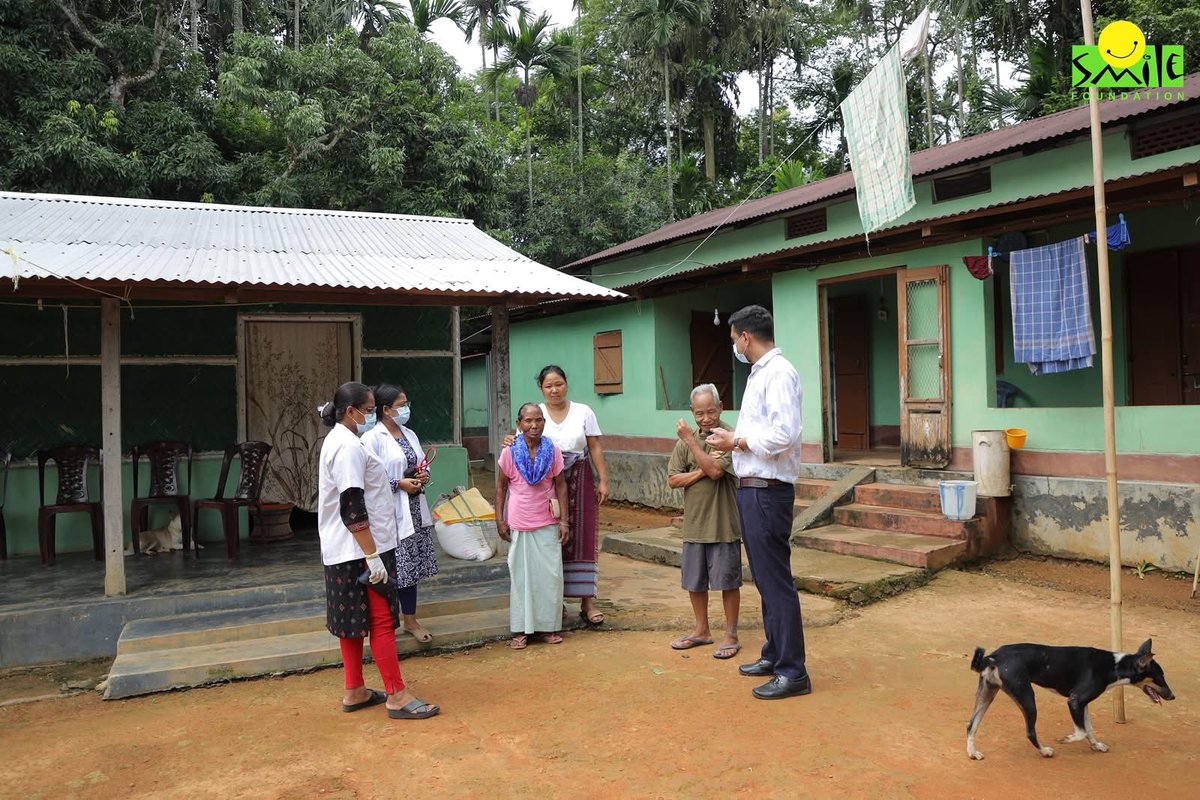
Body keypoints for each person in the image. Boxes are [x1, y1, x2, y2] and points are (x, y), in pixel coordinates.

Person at [705, 305, 811, 700]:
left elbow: (784, 434)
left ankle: (793, 671)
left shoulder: (779, 373)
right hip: (753, 487)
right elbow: (764, 432)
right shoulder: (762, 373)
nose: (734, 345)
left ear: (746, 336)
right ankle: (774, 653)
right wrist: (733, 436)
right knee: (766, 579)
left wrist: (735, 441)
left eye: (734, 338)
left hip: (768, 490)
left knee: (776, 582)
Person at [317, 381, 438, 719]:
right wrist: (372, 556)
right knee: (382, 619)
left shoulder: (340, 441)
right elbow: (352, 506)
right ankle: (397, 695)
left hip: (346, 549)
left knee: (351, 623)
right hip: (362, 550)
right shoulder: (349, 448)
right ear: (350, 411)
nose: (372, 415)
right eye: (369, 410)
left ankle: (355, 688)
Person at [666, 384, 742, 660]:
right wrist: (700, 470)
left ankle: (731, 634)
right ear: (692, 413)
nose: (706, 418)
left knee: (728, 581)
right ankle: (702, 631)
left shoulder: (728, 437)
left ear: (721, 407)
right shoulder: (686, 440)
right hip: (695, 523)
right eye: (699, 413)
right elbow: (673, 479)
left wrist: (690, 443)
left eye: (711, 411)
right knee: (695, 581)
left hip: (723, 522)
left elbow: (716, 471)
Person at [532, 365, 609, 626]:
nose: (554, 390)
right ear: (541, 389)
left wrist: (604, 480)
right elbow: (523, 445)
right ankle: (557, 601)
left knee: (583, 536)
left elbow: (595, 446)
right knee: (552, 537)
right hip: (546, 482)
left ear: (566, 384)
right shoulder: (536, 413)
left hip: (581, 477)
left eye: (559, 384)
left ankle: (587, 601)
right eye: (548, 386)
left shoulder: (583, 411)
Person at [362, 383, 438, 644]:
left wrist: (422, 476)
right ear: (385, 410)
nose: (406, 409)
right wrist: (398, 484)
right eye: (401, 405)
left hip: (414, 509)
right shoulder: (372, 438)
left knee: (411, 568)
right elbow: (369, 479)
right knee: (395, 568)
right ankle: (386, 622)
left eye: (407, 404)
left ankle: (410, 620)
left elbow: (417, 463)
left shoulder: (409, 434)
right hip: (390, 511)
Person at [496, 403, 570, 650]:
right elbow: (501, 487)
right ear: (519, 424)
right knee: (521, 577)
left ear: (544, 423)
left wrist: (564, 520)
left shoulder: (553, 450)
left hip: (547, 520)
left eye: (538, 420)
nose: (534, 425)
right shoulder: (509, 452)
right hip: (519, 520)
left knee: (549, 576)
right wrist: (499, 518)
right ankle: (521, 629)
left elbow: (561, 486)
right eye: (528, 421)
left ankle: (547, 627)